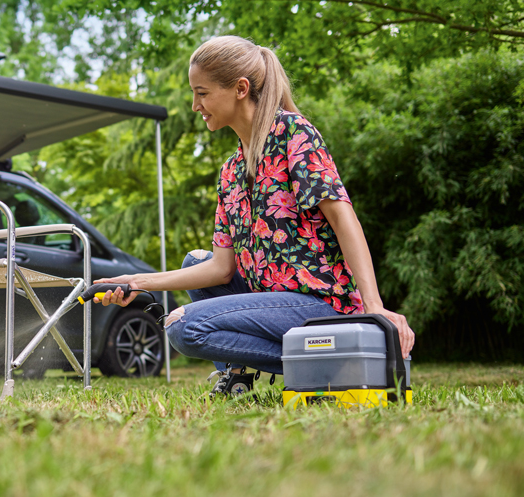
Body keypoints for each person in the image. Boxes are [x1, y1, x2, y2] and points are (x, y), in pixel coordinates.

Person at [94, 35, 414, 396]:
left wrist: (374, 308)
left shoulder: (294, 134)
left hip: (320, 302)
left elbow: (344, 220)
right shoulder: (231, 171)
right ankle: (245, 374)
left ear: (240, 89)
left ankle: (336, 357)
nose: (195, 104)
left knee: (182, 328)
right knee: (193, 262)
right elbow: (220, 269)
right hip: (272, 300)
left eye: (202, 92)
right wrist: (136, 283)